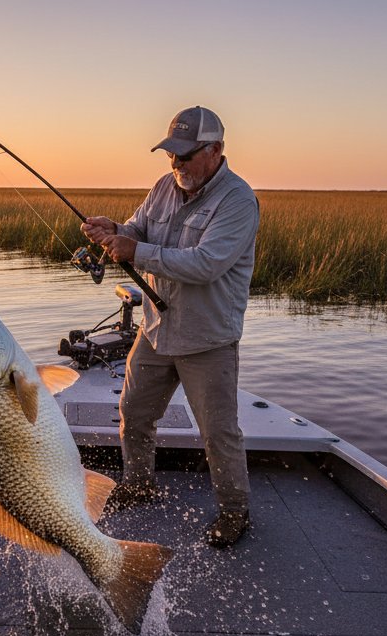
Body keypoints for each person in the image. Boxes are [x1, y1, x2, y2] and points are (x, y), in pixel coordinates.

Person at [81, 106, 259, 547]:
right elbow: (138, 228)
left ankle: (235, 513)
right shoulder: (163, 186)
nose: (175, 164)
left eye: (185, 155)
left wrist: (134, 250)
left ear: (215, 150)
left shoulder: (238, 200)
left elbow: (206, 263)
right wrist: (113, 230)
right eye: (170, 155)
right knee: (134, 414)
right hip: (156, 329)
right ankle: (139, 485)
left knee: (218, 433)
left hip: (208, 339)